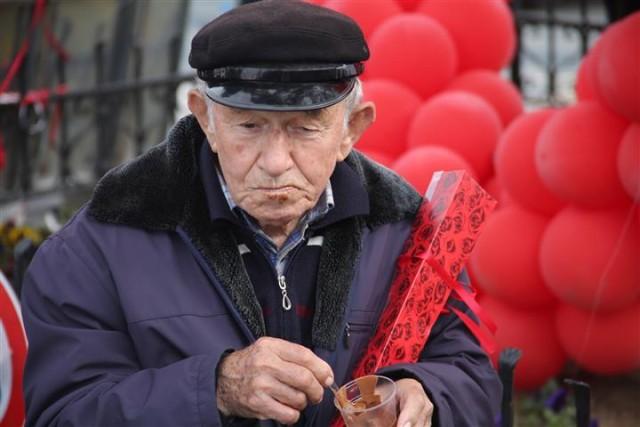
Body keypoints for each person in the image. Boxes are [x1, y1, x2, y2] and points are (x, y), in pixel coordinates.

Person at [21, 1, 501, 426]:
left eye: (305, 128)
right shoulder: (95, 249)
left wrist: (426, 394)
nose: (275, 162)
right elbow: (63, 412)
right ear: (204, 118)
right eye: (248, 126)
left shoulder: (407, 231)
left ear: (352, 129)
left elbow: (472, 375)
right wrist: (216, 388)